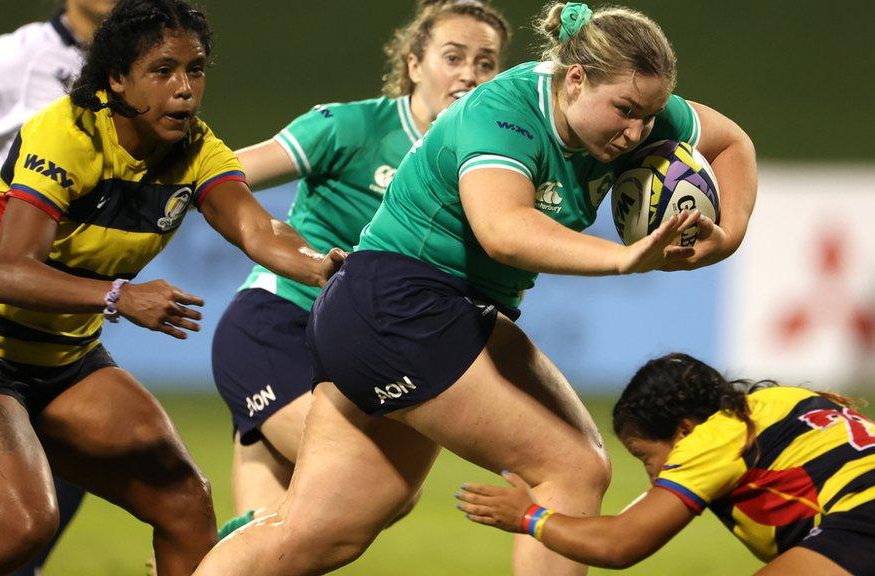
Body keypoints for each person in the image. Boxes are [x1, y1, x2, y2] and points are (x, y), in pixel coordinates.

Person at [194, 2, 757, 575]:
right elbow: (503, 232)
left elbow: (733, 143)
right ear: (576, 78)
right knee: (574, 469)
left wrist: (728, 235)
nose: (639, 132)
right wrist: (624, 258)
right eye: (626, 111)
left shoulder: (638, 115)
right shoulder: (505, 111)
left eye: (652, 114)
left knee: (315, 535)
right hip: (402, 305)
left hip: (403, 312)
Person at [0, 0, 343, 574]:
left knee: (186, 505)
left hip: (64, 357)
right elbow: (11, 273)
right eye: (163, 71)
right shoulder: (66, 134)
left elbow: (259, 228)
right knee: (18, 528)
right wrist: (118, 296)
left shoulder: (196, 149)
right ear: (117, 78)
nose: (184, 89)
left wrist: (320, 267)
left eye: (196, 69)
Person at [210, 0, 511, 539]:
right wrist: (285, 247)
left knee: (298, 529)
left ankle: (214, 553)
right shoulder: (350, 127)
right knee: (361, 488)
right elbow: (224, 176)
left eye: (486, 62)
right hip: (280, 324)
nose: (470, 72)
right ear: (415, 65)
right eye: (453, 56)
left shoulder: (489, 165)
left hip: (362, 348)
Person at [456, 353, 875, 575]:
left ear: (682, 430)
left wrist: (527, 517)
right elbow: (633, 516)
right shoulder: (780, 403)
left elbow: (620, 544)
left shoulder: (715, 436)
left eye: (645, 456)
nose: (652, 472)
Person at [0, 1, 117, 573]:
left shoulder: (150, 63)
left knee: (42, 500)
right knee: (11, 520)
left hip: (63, 330)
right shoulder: (13, 61)